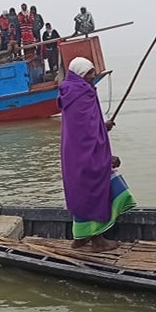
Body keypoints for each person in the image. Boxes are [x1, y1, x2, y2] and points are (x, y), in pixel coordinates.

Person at [58, 57, 136, 251]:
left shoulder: (71, 91)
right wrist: (107, 158)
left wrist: (103, 126)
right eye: (90, 73)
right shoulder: (83, 94)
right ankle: (98, 240)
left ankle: (80, 237)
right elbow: (86, 133)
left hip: (73, 154)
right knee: (97, 190)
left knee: (80, 191)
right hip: (87, 154)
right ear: (81, 75)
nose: (93, 77)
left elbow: (86, 127)